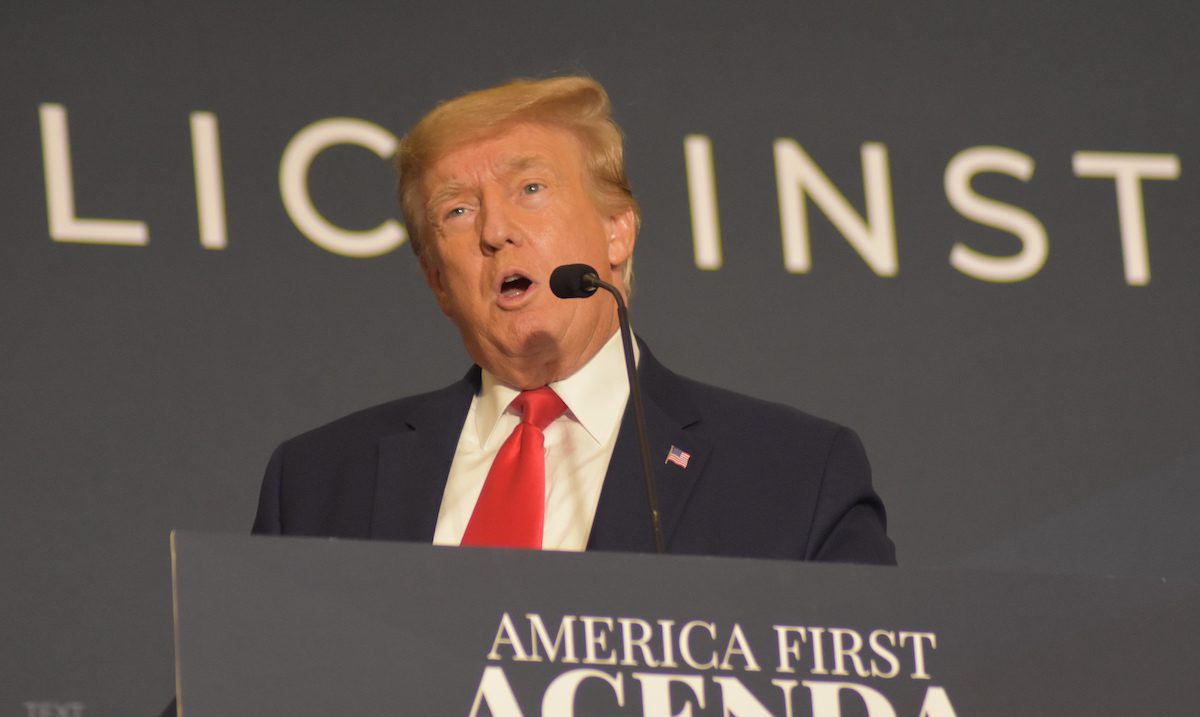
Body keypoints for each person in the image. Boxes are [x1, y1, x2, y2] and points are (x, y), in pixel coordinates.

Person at [251, 75, 894, 565]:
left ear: (617, 232)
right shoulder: (317, 481)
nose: (497, 231)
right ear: (437, 281)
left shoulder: (793, 473)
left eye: (531, 189)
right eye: (457, 212)